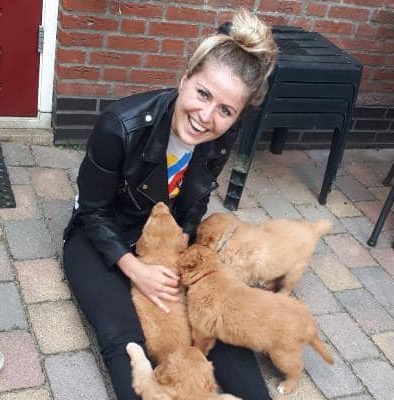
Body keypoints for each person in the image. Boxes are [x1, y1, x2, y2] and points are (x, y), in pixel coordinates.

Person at [63, 8, 277, 400]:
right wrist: (136, 270)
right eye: (203, 94)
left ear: (236, 118)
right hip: (102, 238)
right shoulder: (119, 125)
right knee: (126, 342)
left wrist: (183, 261)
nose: (206, 117)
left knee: (215, 318)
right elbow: (93, 212)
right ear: (184, 79)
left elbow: (193, 206)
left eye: (225, 110)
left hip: (166, 238)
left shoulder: (220, 138)